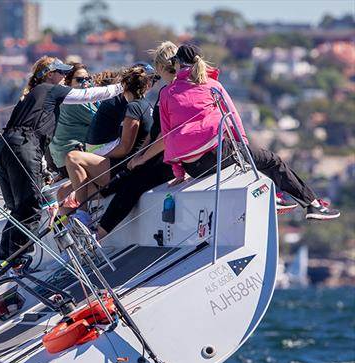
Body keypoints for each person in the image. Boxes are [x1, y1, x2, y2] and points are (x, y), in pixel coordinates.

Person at [160, 44, 340, 220]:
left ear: (177, 64)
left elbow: (168, 135)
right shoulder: (212, 86)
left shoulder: (166, 93)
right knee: (271, 161)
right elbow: (233, 120)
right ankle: (312, 205)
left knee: (249, 160)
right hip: (218, 154)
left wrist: (179, 173)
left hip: (192, 166)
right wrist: (243, 148)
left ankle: (275, 199)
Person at [0, 56, 123, 261]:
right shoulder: (50, 89)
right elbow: (87, 95)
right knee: (32, 207)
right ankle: (18, 260)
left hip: (3, 147)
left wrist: (43, 169)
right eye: (62, 73)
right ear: (50, 74)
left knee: (18, 209)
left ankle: (5, 259)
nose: (64, 77)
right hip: (23, 146)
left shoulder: (31, 96)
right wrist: (121, 87)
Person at [95, 43, 179, 239]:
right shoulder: (167, 91)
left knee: (135, 181)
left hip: (168, 156)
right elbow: (156, 131)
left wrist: (142, 159)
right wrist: (140, 154)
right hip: (160, 151)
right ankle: (89, 219)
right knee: (126, 174)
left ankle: (98, 234)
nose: (155, 81)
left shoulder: (173, 92)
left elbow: (165, 137)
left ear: (160, 67)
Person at [63, 65, 155, 212]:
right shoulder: (146, 106)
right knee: (63, 192)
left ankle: (82, 214)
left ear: (123, 86)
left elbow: (125, 148)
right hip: (120, 168)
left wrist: (96, 159)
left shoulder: (134, 107)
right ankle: (78, 233)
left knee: (73, 158)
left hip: (122, 169)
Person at [48, 63, 97, 172]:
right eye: (79, 80)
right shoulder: (75, 101)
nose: (85, 83)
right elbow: (102, 120)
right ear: (68, 82)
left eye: (88, 79)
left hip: (61, 161)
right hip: (73, 161)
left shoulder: (62, 99)